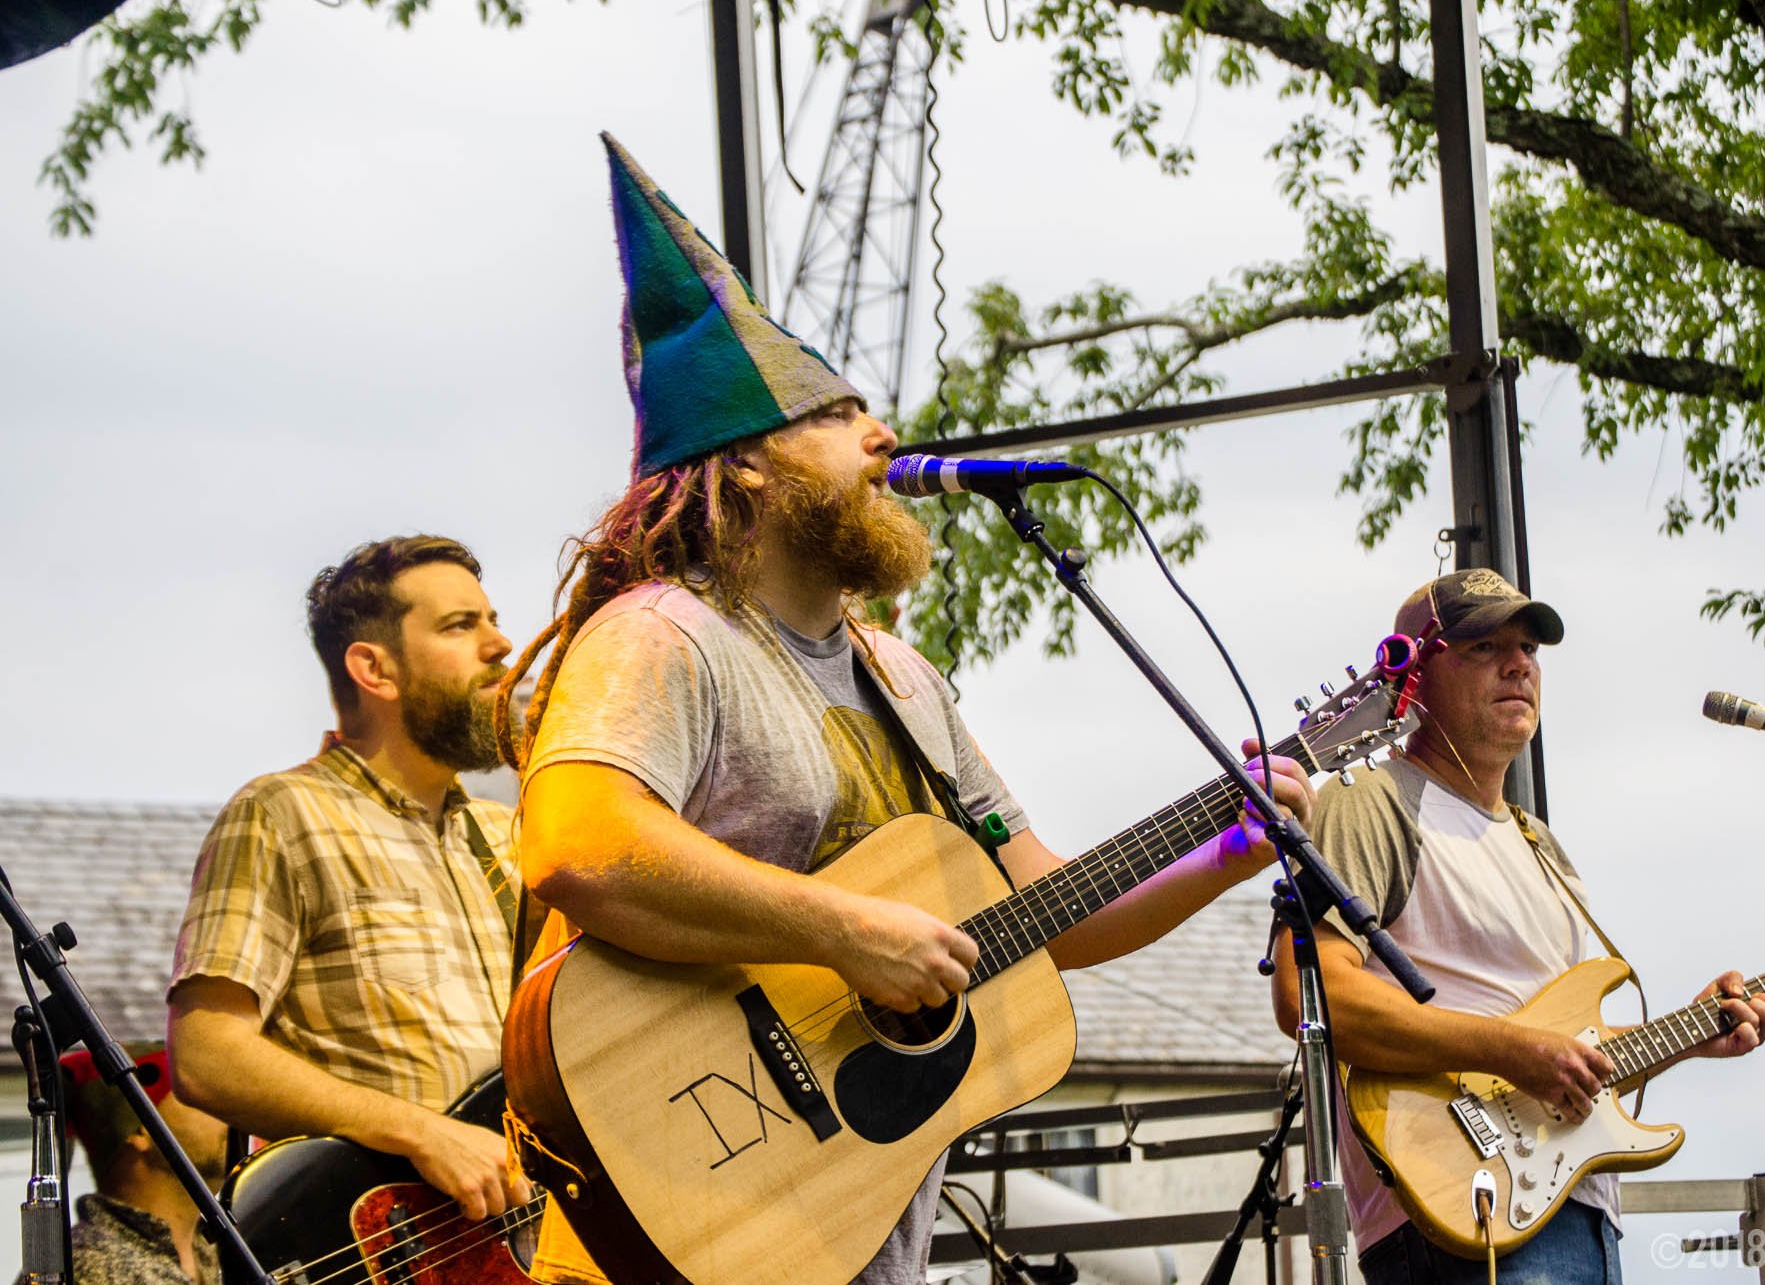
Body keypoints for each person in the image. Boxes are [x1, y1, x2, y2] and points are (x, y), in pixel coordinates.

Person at [499, 133, 1312, 1285]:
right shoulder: (664, 635)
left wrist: (1225, 851)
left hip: (841, 1232)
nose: (883, 435)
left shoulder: (904, 680)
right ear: (745, 468)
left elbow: (1048, 914)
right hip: (683, 1211)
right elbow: (576, 847)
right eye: (834, 415)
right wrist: (843, 932)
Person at [1270, 568, 1765, 1284]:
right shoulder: (1375, 802)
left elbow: (1560, 1057)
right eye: (1484, 646)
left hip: (1579, 1216)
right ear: (1413, 676)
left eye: (1528, 648)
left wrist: (1692, 1035)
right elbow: (1314, 998)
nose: (1518, 664)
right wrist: (1513, 1052)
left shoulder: (1544, 848)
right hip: (1463, 1217)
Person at [166, 535, 533, 1227]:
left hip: (520, 1243)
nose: (502, 645)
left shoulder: (508, 838)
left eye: (492, 619)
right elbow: (208, 1054)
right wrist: (420, 1133)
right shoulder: (281, 814)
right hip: (390, 1245)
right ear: (375, 668)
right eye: (462, 626)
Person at [12, 1048, 228, 1285]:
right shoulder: (87, 1271)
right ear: (141, 1129)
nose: (226, 1110)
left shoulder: (216, 1249)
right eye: (192, 1097)